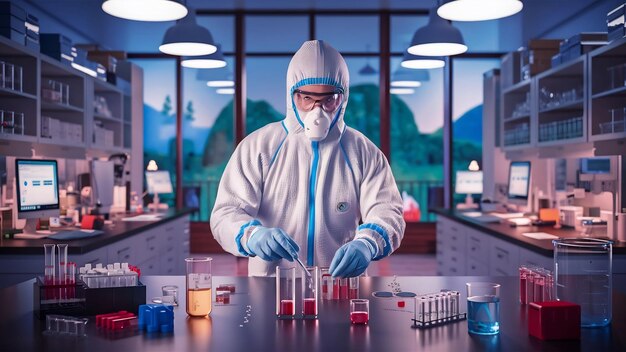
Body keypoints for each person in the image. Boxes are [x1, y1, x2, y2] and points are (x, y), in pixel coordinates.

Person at [211, 40, 405, 277]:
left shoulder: (364, 152)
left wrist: (368, 243)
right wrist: (253, 236)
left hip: (340, 285)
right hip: (270, 287)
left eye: (328, 99)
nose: (317, 110)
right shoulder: (258, 147)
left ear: (343, 98)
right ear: (292, 94)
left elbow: (388, 212)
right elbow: (225, 213)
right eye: (307, 98)